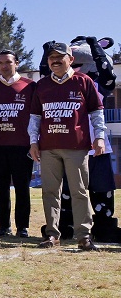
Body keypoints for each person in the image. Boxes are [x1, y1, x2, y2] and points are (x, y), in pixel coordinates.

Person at [29, 41, 105, 250]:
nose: (54, 61)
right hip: (48, 148)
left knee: (80, 192)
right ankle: (52, 234)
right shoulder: (42, 85)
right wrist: (33, 142)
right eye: (51, 58)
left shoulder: (84, 81)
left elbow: (96, 113)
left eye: (59, 57)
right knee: (49, 191)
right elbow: (35, 117)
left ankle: (84, 236)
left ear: (70, 59)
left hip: (77, 147)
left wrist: (99, 137)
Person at [0, 51, 35, 238]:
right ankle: (4, 226)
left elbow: (36, 117)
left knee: (22, 187)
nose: (4, 66)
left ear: (16, 63)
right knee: (0, 188)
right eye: (0, 62)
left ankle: (23, 227)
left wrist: (35, 141)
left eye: (8, 62)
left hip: (22, 146)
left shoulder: (30, 86)